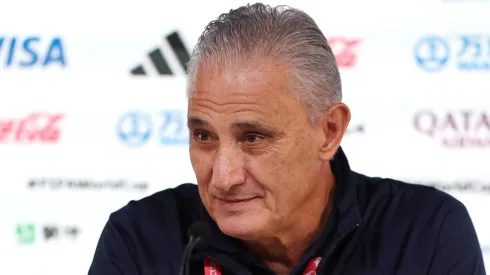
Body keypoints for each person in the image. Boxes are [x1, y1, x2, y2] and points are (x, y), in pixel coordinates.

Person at [88, 3, 486, 275]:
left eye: (253, 138)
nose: (223, 178)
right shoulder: (139, 241)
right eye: (204, 136)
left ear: (329, 131)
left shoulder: (427, 233)